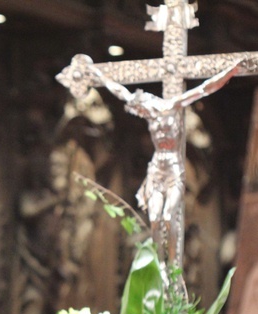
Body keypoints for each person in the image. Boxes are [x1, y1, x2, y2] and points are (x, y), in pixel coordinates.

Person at [89, 60, 243, 278]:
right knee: (154, 221)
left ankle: (172, 269)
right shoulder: (150, 112)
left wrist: (230, 72)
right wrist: (96, 74)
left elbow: (204, 88)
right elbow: (119, 91)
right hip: (156, 170)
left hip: (174, 168)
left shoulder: (174, 107)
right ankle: (161, 266)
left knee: (170, 217)